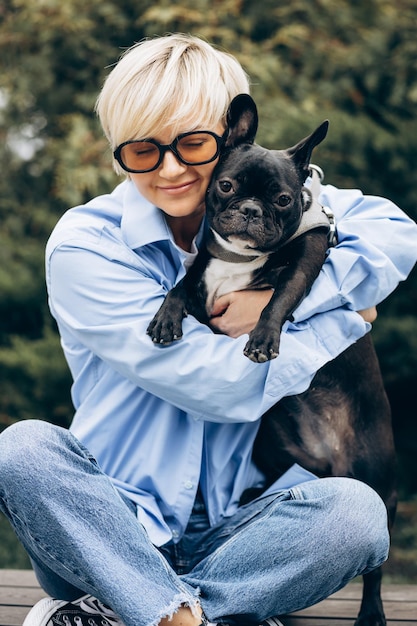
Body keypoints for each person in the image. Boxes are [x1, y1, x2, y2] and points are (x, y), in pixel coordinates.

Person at [0, 33, 416, 626]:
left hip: (242, 529)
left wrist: (283, 302)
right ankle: (208, 608)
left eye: (192, 144)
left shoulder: (274, 194)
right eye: (142, 151)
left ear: (232, 137)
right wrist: (347, 314)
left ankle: (131, 614)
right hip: (108, 530)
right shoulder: (86, 244)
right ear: (118, 152)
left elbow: (395, 231)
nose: (169, 169)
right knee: (23, 449)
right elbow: (221, 384)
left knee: (356, 514)